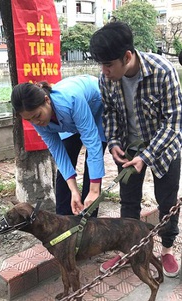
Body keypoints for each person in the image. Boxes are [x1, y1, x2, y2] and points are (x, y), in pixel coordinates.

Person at [89, 21, 182, 277]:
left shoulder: (163, 71)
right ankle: (126, 251)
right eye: (102, 65)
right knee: (129, 202)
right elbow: (110, 112)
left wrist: (147, 156)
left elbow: (174, 122)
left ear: (127, 56)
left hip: (164, 148)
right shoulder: (106, 78)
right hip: (129, 147)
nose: (104, 71)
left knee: (167, 202)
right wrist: (115, 142)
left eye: (109, 65)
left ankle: (166, 249)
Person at [11, 75, 107, 216]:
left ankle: (89, 222)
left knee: (92, 170)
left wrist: (94, 190)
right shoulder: (38, 118)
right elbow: (58, 153)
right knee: (65, 164)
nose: (35, 122)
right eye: (29, 119)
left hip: (97, 107)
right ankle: (63, 221)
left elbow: (93, 144)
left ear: (47, 100)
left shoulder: (71, 100)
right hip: (67, 118)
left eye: (37, 116)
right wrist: (74, 190)